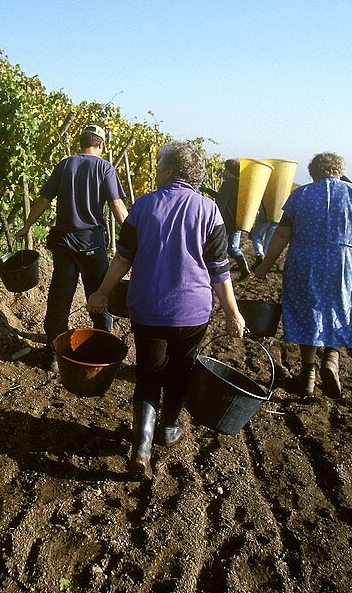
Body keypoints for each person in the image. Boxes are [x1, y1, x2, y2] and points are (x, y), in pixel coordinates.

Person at [88, 140, 245, 480]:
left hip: (148, 310)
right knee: (179, 373)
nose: (157, 171)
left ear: (170, 170)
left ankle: (141, 448)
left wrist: (101, 292)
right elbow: (219, 270)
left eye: (160, 166)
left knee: (147, 376)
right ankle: (169, 428)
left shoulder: (143, 206)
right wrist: (233, 312)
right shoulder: (209, 211)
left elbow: (122, 258)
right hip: (192, 313)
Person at [253, 152, 352, 398]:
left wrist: (265, 265)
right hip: (345, 265)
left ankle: (308, 374)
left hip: (305, 262)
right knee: (340, 308)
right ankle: (331, 358)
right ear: (340, 171)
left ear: (313, 173)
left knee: (307, 311)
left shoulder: (300, 195)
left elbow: (281, 235)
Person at [17, 124, 129, 370]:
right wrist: (134, 237)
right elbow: (117, 205)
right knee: (100, 296)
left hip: (64, 244)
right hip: (92, 244)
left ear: (81, 142)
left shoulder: (65, 165)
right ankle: (104, 350)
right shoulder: (104, 167)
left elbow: (44, 199)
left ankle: (54, 354)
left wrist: (27, 226)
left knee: (60, 297)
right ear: (101, 144)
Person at [215, 158, 252, 279]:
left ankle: (221, 275)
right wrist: (208, 190)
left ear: (229, 170)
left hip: (226, 222)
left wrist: (214, 219)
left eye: (225, 169)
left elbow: (222, 203)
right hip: (237, 220)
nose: (223, 172)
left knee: (221, 248)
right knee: (233, 247)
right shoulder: (240, 183)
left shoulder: (227, 184)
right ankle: (244, 269)